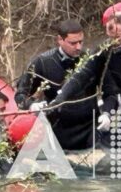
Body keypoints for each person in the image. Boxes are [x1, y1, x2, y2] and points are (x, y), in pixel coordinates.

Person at [50, 1, 121, 154]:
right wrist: (60, 99)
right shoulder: (106, 50)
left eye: (119, 36)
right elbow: (82, 75)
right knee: (106, 155)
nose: (115, 41)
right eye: (111, 36)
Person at [14, 19, 95, 150]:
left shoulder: (90, 58)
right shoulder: (42, 62)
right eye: (73, 43)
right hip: (59, 129)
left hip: (91, 126)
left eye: (81, 42)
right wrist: (32, 105)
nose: (78, 47)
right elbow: (20, 95)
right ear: (60, 40)